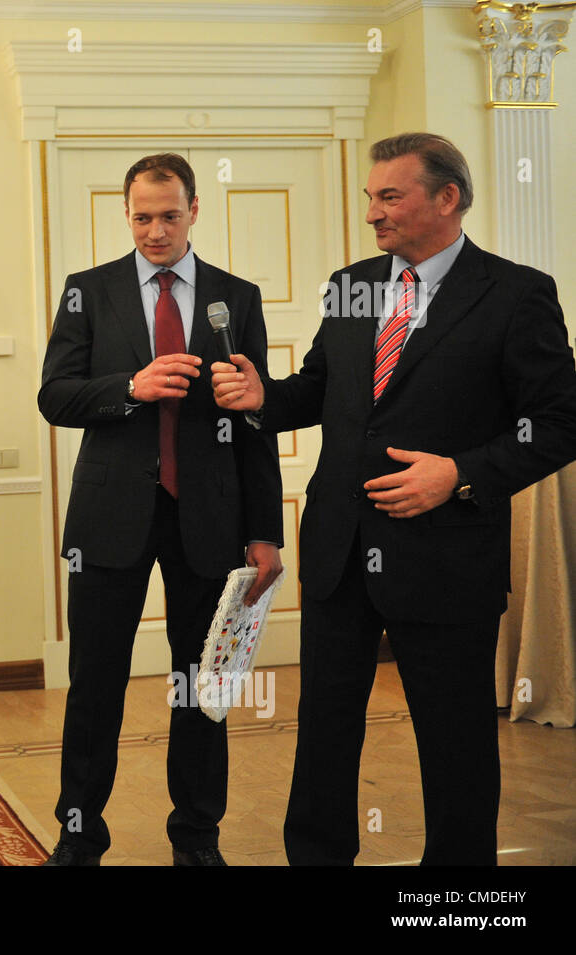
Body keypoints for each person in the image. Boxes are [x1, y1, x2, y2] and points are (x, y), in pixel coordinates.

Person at [211, 132, 576, 865]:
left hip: (445, 558)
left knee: (456, 744)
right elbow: (322, 390)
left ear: (447, 198)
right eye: (370, 197)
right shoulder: (351, 284)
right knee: (324, 732)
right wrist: (262, 399)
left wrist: (461, 473)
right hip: (340, 550)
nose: (373, 212)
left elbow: (559, 421)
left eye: (390, 196)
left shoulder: (516, 293)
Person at [39, 153, 284, 866]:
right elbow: (55, 395)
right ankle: (80, 833)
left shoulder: (235, 298)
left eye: (169, 215)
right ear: (126, 213)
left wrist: (264, 532)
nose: (154, 229)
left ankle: (197, 837)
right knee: (95, 686)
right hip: (110, 521)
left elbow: (255, 419)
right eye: (141, 216)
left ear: (195, 211)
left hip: (209, 518)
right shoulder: (88, 291)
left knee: (201, 685)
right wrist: (131, 385)